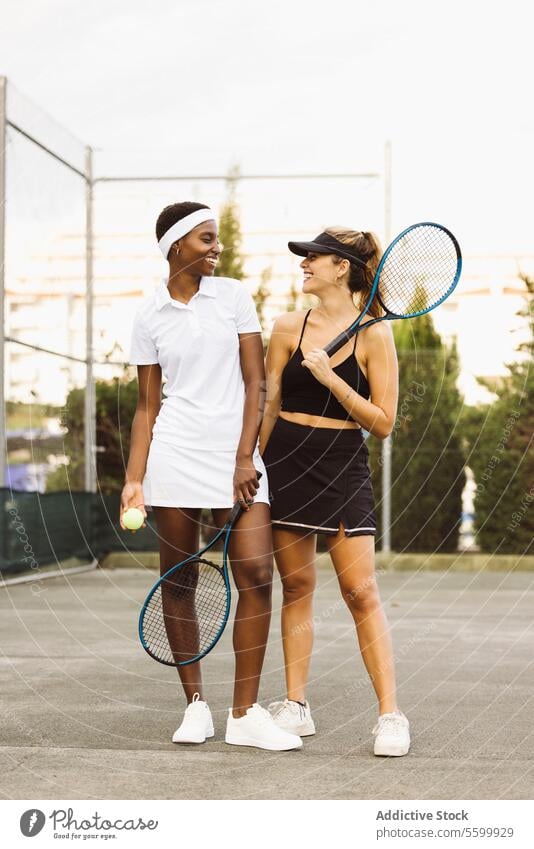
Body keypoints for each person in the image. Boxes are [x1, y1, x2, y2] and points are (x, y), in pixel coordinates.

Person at [122, 202, 301, 751]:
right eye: (206, 239)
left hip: (235, 455)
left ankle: (244, 714)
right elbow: (147, 407)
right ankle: (195, 706)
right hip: (174, 456)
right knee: (178, 584)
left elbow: (256, 383)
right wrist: (135, 479)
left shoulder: (233, 297)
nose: (215, 247)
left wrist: (245, 458)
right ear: (176, 246)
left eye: (215, 239)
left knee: (255, 574)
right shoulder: (148, 316)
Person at [260, 227, 410, 756]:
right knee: (297, 587)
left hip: (342, 462)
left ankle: (390, 715)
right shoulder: (284, 327)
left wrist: (330, 377)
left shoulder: (375, 335)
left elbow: (384, 422)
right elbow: (271, 403)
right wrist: (253, 467)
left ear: (342, 267)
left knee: (360, 592)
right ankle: (296, 705)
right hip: (285, 460)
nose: (304, 264)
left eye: (312, 257)